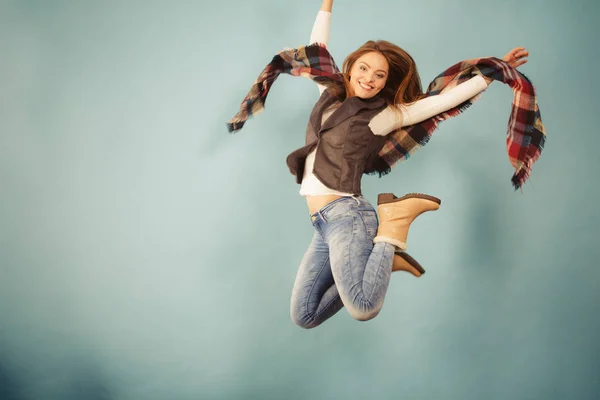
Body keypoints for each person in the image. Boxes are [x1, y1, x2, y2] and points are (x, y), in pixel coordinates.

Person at [228, 0, 535, 329]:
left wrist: (494, 71)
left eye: (379, 75)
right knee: (304, 315)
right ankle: (384, 262)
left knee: (363, 307)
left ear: (386, 82)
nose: (369, 78)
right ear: (350, 67)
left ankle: (393, 227)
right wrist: (327, 3)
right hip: (322, 223)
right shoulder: (329, 93)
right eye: (363, 68)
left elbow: (441, 101)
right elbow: (316, 47)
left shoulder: (385, 115)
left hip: (349, 217)